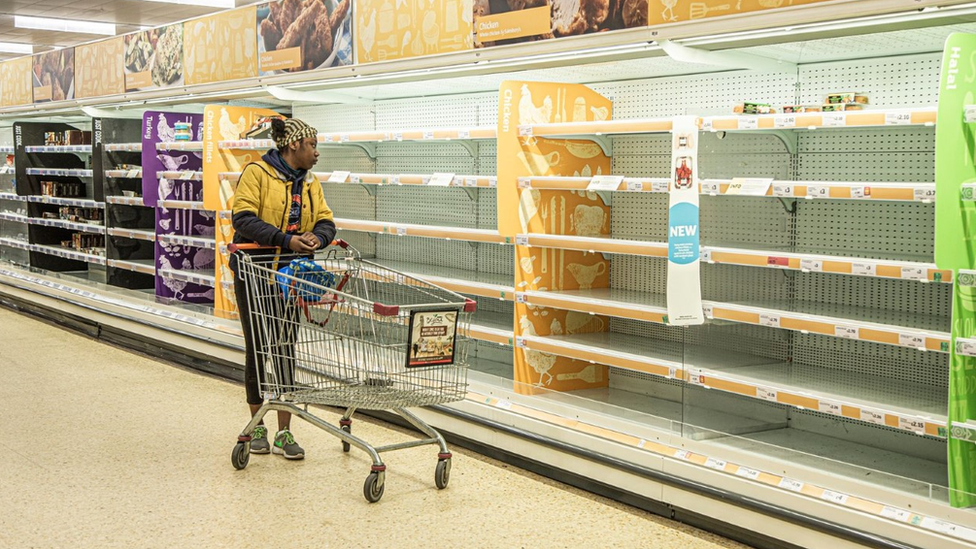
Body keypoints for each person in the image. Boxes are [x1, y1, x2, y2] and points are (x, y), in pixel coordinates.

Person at [230, 117, 336, 459]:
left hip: (291, 276)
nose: (317, 153)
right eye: (312, 146)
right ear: (294, 145)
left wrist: (315, 238)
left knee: (285, 346)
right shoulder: (257, 173)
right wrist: (286, 240)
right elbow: (243, 219)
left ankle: (284, 432)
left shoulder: (309, 182)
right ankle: (257, 424)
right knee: (259, 347)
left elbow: (326, 220)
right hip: (255, 272)